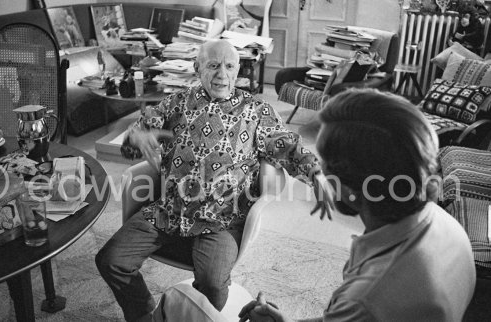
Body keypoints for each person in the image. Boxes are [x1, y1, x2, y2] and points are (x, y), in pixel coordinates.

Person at [95, 39, 334, 322]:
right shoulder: (177, 102)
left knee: (212, 286)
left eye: (229, 66)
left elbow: (288, 145)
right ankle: (144, 313)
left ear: (237, 72)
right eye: (213, 65)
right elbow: (134, 140)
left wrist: (316, 175)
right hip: (168, 210)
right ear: (198, 68)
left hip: (222, 219)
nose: (222, 74)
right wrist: (137, 135)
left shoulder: (255, 110)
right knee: (111, 260)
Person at [239, 89, 476, 322]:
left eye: (326, 169)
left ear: (352, 191)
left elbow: (363, 311)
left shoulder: (367, 297)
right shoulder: (447, 226)